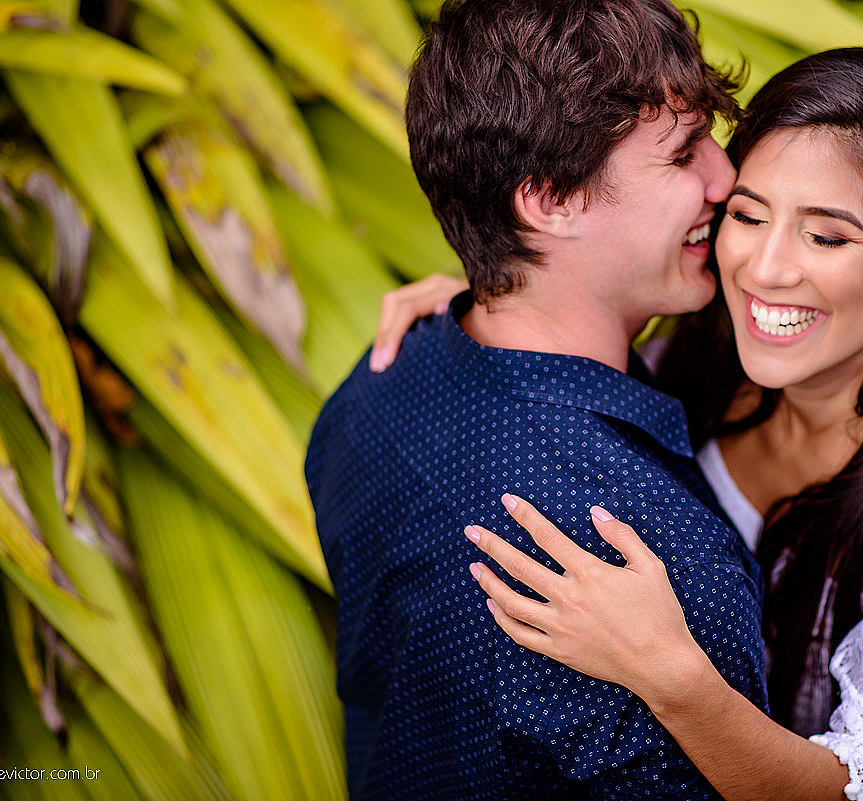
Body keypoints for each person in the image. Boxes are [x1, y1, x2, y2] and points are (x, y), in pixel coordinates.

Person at [371, 48, 863, 801]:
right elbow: (581, 291)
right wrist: (494, 294)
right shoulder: (701, 341)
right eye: (749, 215)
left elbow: (855, 789)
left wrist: (671, 673)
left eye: (826, 237)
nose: (764, 268)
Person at [304, 1, 770, 798]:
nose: (725, 179)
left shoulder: (373, 385)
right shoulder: (663, 568)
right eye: (685, 152)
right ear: (550, 200)